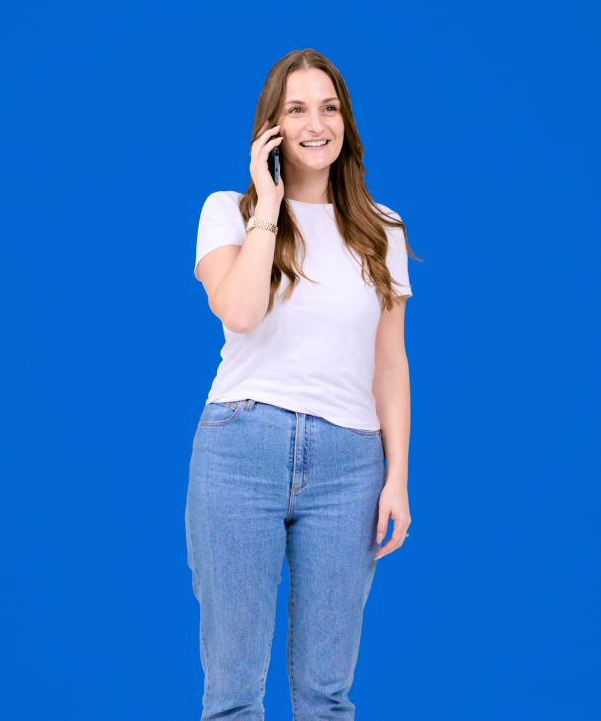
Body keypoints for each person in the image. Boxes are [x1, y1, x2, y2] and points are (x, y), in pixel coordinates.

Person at [185, 48, 419, 721]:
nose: (316, 123)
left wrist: (397, 476)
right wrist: (268, 205)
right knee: (233, 697)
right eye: (296, 109)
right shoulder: (227, 212)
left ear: (345, 121)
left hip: (351, 466)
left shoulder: (383, 228)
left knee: (326, 694)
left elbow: (390, 364)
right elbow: (241, 311)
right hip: (241, 451)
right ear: (272, 128)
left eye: (329, 107)